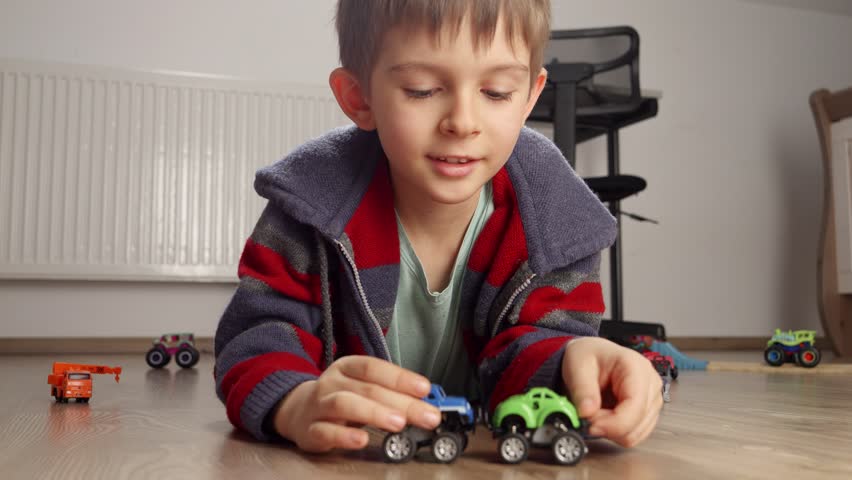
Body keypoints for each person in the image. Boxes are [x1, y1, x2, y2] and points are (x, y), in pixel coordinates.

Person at [214, 0, 663, 454]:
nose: (462, 123)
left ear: (530, 96)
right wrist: (293, 402)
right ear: (359, 97)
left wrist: (571, 357)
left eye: (498, 92)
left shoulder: (556, 223)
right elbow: (256, 335)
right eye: (423, 89)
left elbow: (542, 341)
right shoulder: (308, 208)